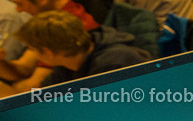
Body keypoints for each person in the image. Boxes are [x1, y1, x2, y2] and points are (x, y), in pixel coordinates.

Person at [13, 10, 150, 87]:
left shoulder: (112, 65)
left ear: (48, 52)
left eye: (32, 49)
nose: (33, 54)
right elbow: (46, 96)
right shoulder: (68, 64)